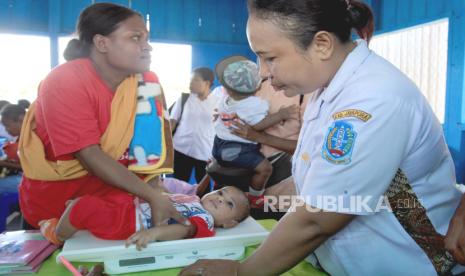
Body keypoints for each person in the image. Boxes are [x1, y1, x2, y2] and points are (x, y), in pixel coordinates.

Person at [180, 0, 465, 275]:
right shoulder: (327, 87)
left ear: (322, 45)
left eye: (270, 57)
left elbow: (319, 217)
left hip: (408, 264)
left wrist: (241, 272)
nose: (263, 73)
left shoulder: (373, 99)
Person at [18, 3, 187, 230]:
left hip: (117, 210)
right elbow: (88, 155)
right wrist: (153, 197)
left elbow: (148, 150)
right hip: (58, 213)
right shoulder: (65, 81)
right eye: (136, 38)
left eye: (147, 39)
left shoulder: (146, 82)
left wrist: (154, 190)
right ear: (102, 43)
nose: (148, 47)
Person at [39, 177, 250, 251]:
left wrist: (155, 233)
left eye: (228, 204)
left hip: (129, 222)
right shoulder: (194, 200)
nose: (221, 198)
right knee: (105, 193)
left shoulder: (205, 221)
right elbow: (166, 199)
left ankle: (57, 234)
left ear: (230, 224)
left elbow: (184, 229)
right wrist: (159, 189)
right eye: (221, 192)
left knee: (82, 206)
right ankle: (75, 216)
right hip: (132, 206)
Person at [212, 56, 298, 208]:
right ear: (257, 86)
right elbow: (258, 125)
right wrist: (280, 115)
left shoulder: (226, 99)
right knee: (265, 169)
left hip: (220, 145)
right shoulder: (254, 103)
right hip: (237, 151)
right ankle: (255, 196)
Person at [170, 67, 219, 183]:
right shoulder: (184, 99)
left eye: (195, 80)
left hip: (205, 153)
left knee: (203, 189)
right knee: (178, 184)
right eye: (190, 80)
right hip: (180, 149)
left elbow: (222, 128)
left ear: (207, 83)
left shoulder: (218, 102)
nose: (190, 83)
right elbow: (172, 122)